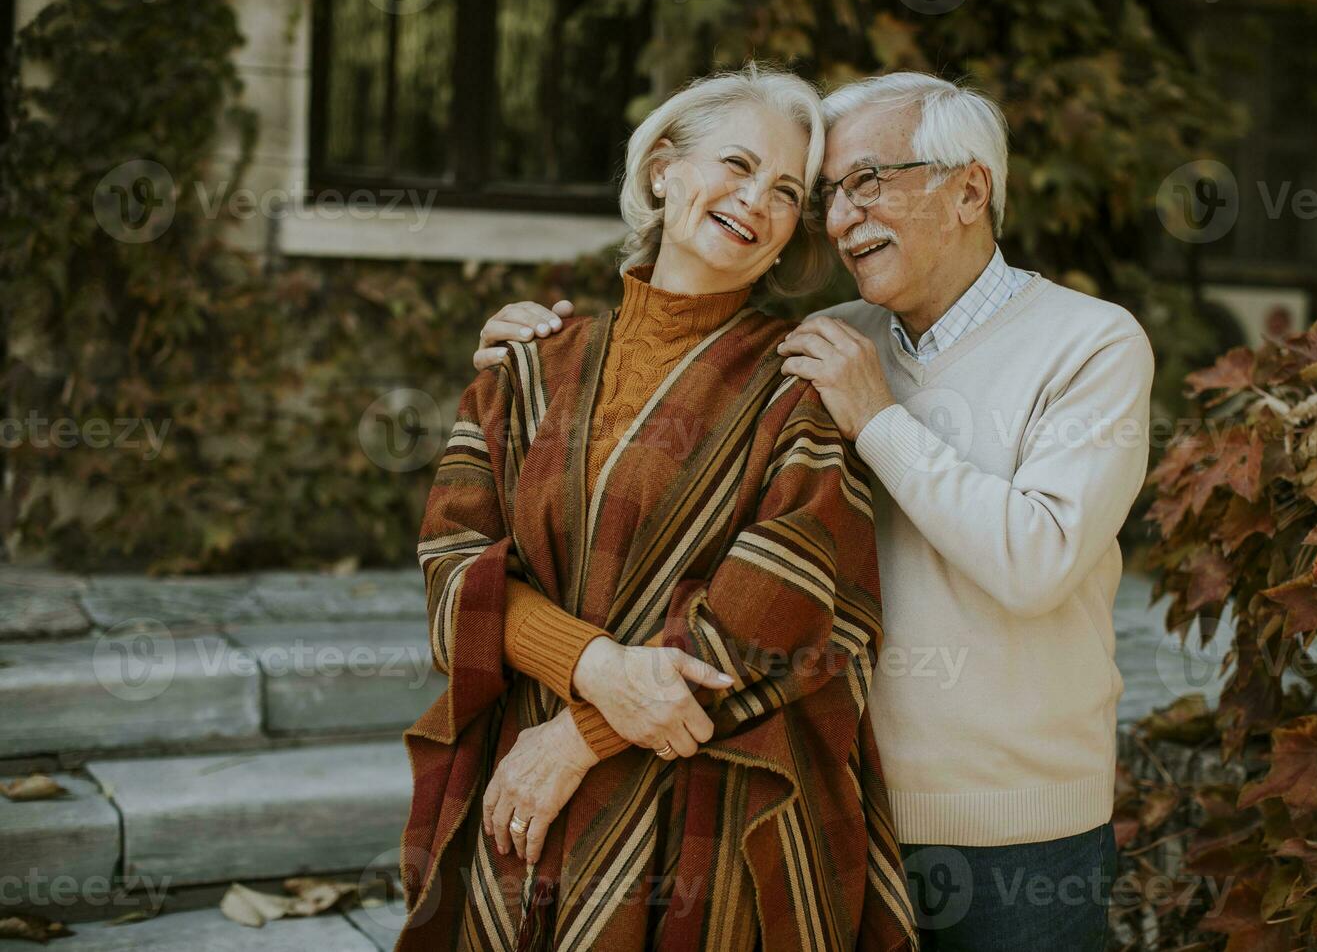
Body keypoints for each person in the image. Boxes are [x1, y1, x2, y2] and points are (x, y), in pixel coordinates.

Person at [475, 72, 1155, 951]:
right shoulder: (834, 339)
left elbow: (1039, 560)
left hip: (1016, 838)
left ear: (969, 188)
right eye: (829, 194)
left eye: (868, 181)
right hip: (832, 808)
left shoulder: (1091, 342)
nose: (839, 219)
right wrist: (522, 366)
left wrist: (879, 419)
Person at [397, 64, 918, 952]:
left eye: (786, 191)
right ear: (664, 169)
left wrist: (582, 737)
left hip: (708, 803)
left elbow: (785, 608)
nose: (756, 200)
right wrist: (593, 668)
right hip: (523, 793)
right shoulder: (533, 363)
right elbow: (454, 563)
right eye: (737, 164)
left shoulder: (793, 389)